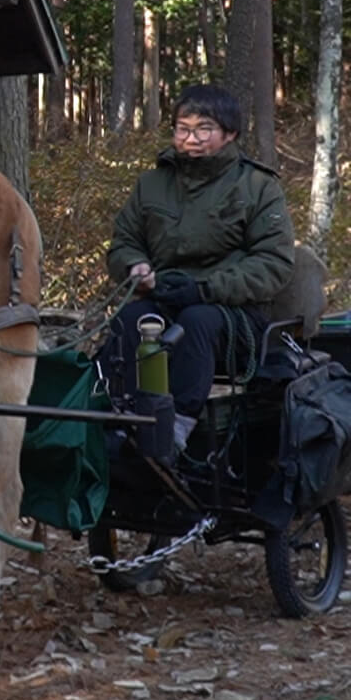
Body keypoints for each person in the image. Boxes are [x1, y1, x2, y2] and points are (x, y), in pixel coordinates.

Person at [102, 84, 295, 453]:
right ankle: (121, 417)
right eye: (182, 128)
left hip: (234, 315)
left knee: (197, 322)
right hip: (163, 299)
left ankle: (175, 428)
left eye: (204, 129)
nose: (191, 138)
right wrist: (135, 266)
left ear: (229, 134)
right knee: (130, 320)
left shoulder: (257, 186)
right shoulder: (152, 184)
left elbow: (274, 264)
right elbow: (124, 242)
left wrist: (206, 289)